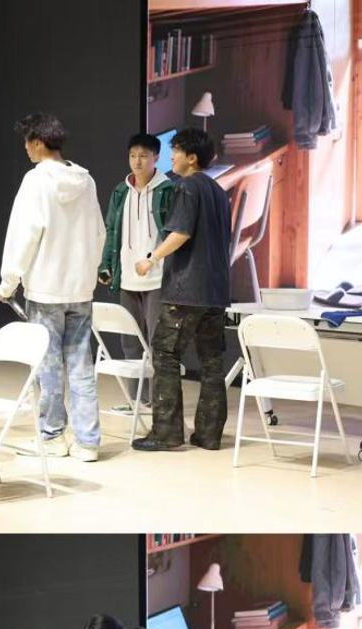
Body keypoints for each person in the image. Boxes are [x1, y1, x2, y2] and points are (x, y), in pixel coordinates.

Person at [0, 113, 105, 462]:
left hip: (45, 289)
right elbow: (99, 233)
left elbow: (23, 235)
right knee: (81, 363)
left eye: (27, 142)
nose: (25, 149)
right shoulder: (86, 180)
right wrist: (87, 274)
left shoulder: (35, 180)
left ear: (38, 143)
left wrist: (9, 281)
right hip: (80, 289)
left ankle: (52, 436)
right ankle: (88, 441)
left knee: (49, 366)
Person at [131, 128, 232, 453]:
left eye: (175, 151)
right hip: (215, 291)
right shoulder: (219, 192)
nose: (171, 157)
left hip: (186, 289)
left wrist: (151, 259)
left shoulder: (186, 186)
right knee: (212, 360)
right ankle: (209, 434)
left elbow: (181, 233)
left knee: (165, 354)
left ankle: (166, 433)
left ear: (192, 157)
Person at [98, 133, 176, 378]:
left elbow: (175, 234)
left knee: (156, 341)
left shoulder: (168, 189)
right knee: (130, 342)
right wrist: (106, 265)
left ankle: (157, 397)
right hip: (127, 279)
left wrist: (155, 260)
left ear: (156, 157)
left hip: (157, 278)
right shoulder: (121, 191)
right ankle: (136, 397)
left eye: (143, 156)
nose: (137, 161)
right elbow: (111, 230)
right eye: (133, 156)